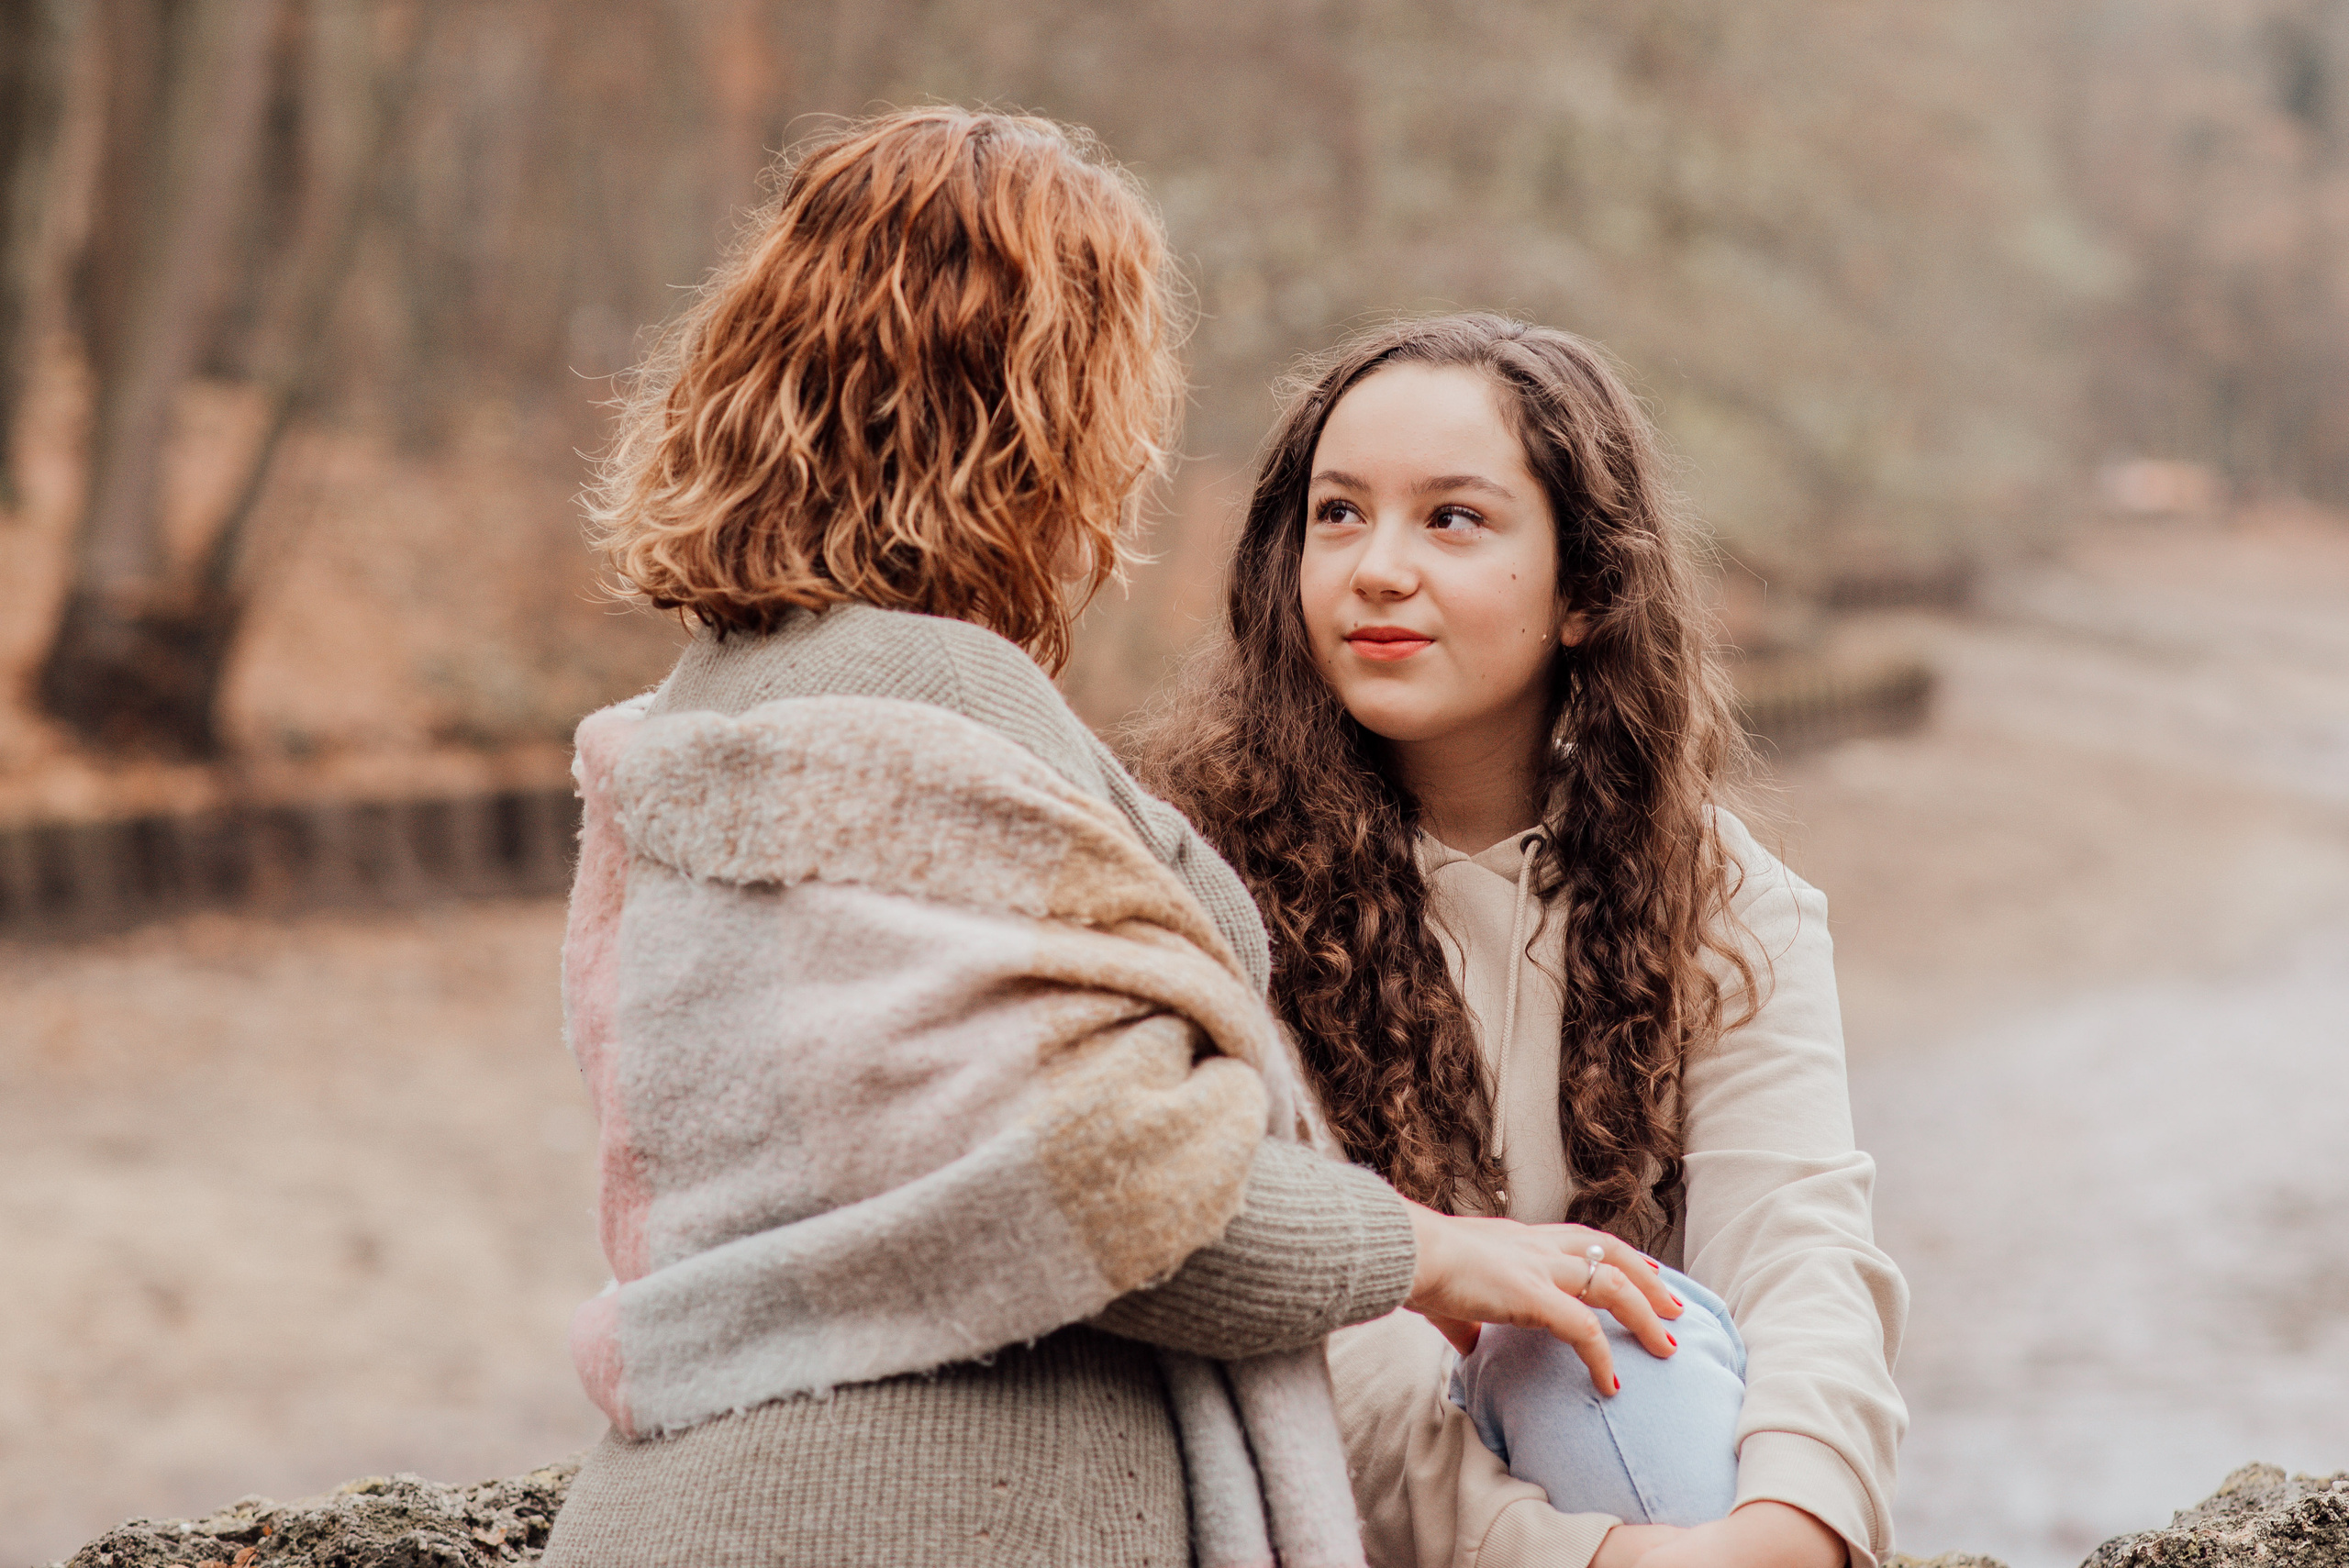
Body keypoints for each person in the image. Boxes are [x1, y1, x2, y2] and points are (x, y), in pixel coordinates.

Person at [539, 116, 1683, 1568]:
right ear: (1047, 407)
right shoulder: (928, 714)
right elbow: (1116, 1185)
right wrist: (1435, 1250)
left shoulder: (721, 710)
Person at [1135, 315, 1909, 1568]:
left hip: (1605, 1470)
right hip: (1297, 1511)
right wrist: (1576, 1558)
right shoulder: (1194, 883)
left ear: (1587, 592)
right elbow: (1304, 1323)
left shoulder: (1726, 901)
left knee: (1601, 1344)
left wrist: (1793, 1526)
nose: (1377, 568)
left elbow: (1797, 1246)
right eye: (1338, 514)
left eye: (1452, 519)